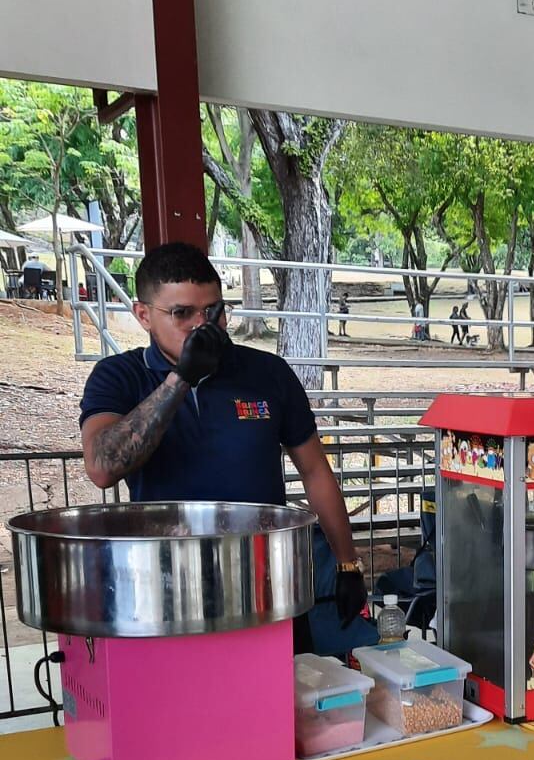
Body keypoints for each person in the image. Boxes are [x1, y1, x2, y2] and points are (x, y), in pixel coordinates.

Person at [79, 242, 368, 639]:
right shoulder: (119, 376)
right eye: (182, 313)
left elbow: (315, 470)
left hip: (266, 581)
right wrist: (181, 379)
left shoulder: (267, 372)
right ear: (143, 315)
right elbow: (102, 467)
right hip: (168, 588)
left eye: (212, 311)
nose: (203, 325)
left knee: (279, 695)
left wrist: (346, 563)